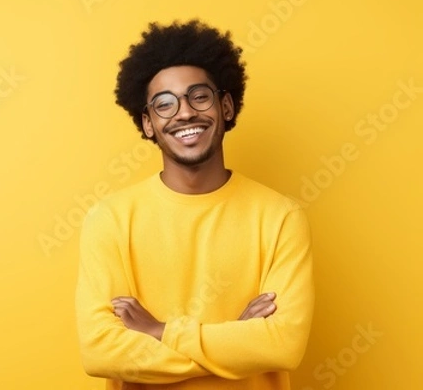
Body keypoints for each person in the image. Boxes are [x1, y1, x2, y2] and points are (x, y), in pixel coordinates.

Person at [75, 19, 314, 390]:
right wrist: (236, 338)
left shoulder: (281, 217)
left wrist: (160, 331)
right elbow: (101, 353)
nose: (184, 113)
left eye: (198, 96)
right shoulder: (110, 219)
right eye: (164, 105)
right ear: (148, 123)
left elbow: (282, 346)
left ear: (227, 106)